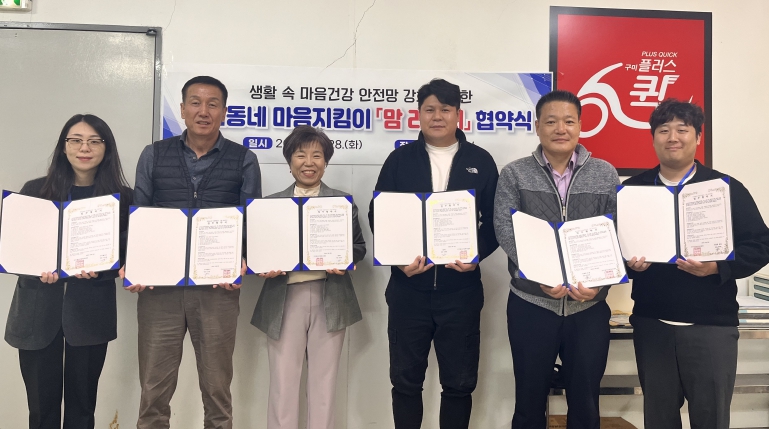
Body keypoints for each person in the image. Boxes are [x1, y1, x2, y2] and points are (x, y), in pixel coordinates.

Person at [123, 75, 262, 429]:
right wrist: (135, 265)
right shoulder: (154, 154)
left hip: (217, 289)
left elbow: (251, 221)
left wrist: (242, 262)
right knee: (153, 390)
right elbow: (141, 215)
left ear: (224, 112)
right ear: (183, 109)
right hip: (160, 289)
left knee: (217, 391)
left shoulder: (244, 159)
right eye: (196, 103)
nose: (204, 111)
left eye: (213, 104)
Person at [624, 99, 769, 429]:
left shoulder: (724, 188)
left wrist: (717, 267)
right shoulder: (633, 190)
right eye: (664, 130)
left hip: (711, 326)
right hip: (652, 324)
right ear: (653, 138)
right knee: (659, 420)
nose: (673, 137)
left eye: (682, 129)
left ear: (698, 137)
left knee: (711, 419)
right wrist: (631, 265)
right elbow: (616, 249)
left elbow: (761, 245)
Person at [368, 78, 499, 428]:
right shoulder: (399, 160)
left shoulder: (480, 161)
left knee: (459, 384)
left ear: (458, 114)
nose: (437, 116)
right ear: (419, 114)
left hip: (461, 292)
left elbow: (495, 221)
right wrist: (398, 261)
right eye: (429, 109)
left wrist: (476, 256)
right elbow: (378, 214)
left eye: (445, 109)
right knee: (405, 382)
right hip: (409, 290)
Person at [493, 90, 619, 429]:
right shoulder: (515, 174)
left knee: (586, 402)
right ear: (537, 126)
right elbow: (504, 228)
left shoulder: (605, 173)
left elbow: (616, 231)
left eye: (568, 121)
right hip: (532, 304)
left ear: (580, 126)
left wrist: (599, 284)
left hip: (588, 308)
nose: (560, 129)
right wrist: (541, 276)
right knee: (529, 401)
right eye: (551, 121)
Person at [4, 114, 133, 429]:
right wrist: (36, 269)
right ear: (64, 147)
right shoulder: (35, 191)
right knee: (41, 409)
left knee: (82, 408)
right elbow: (17, 246)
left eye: (94, 141)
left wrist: (101, 271)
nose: (84, 148)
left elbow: (128, 253)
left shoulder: (121, 198)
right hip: (37, 310)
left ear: (106, 148)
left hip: (90, 314)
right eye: (75, 140)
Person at [250, 125, 366, 429]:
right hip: (284, 297)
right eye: (301, 155)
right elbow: (257, 251)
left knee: (324, 385)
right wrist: (262, 265)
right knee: (282, 383)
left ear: (326, 162)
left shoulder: (341, 202)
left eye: (317, 155)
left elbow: (358, 247)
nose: (309, 162)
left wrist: (346, 260)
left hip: (331, 296)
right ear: (289, 162)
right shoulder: (270, 205)